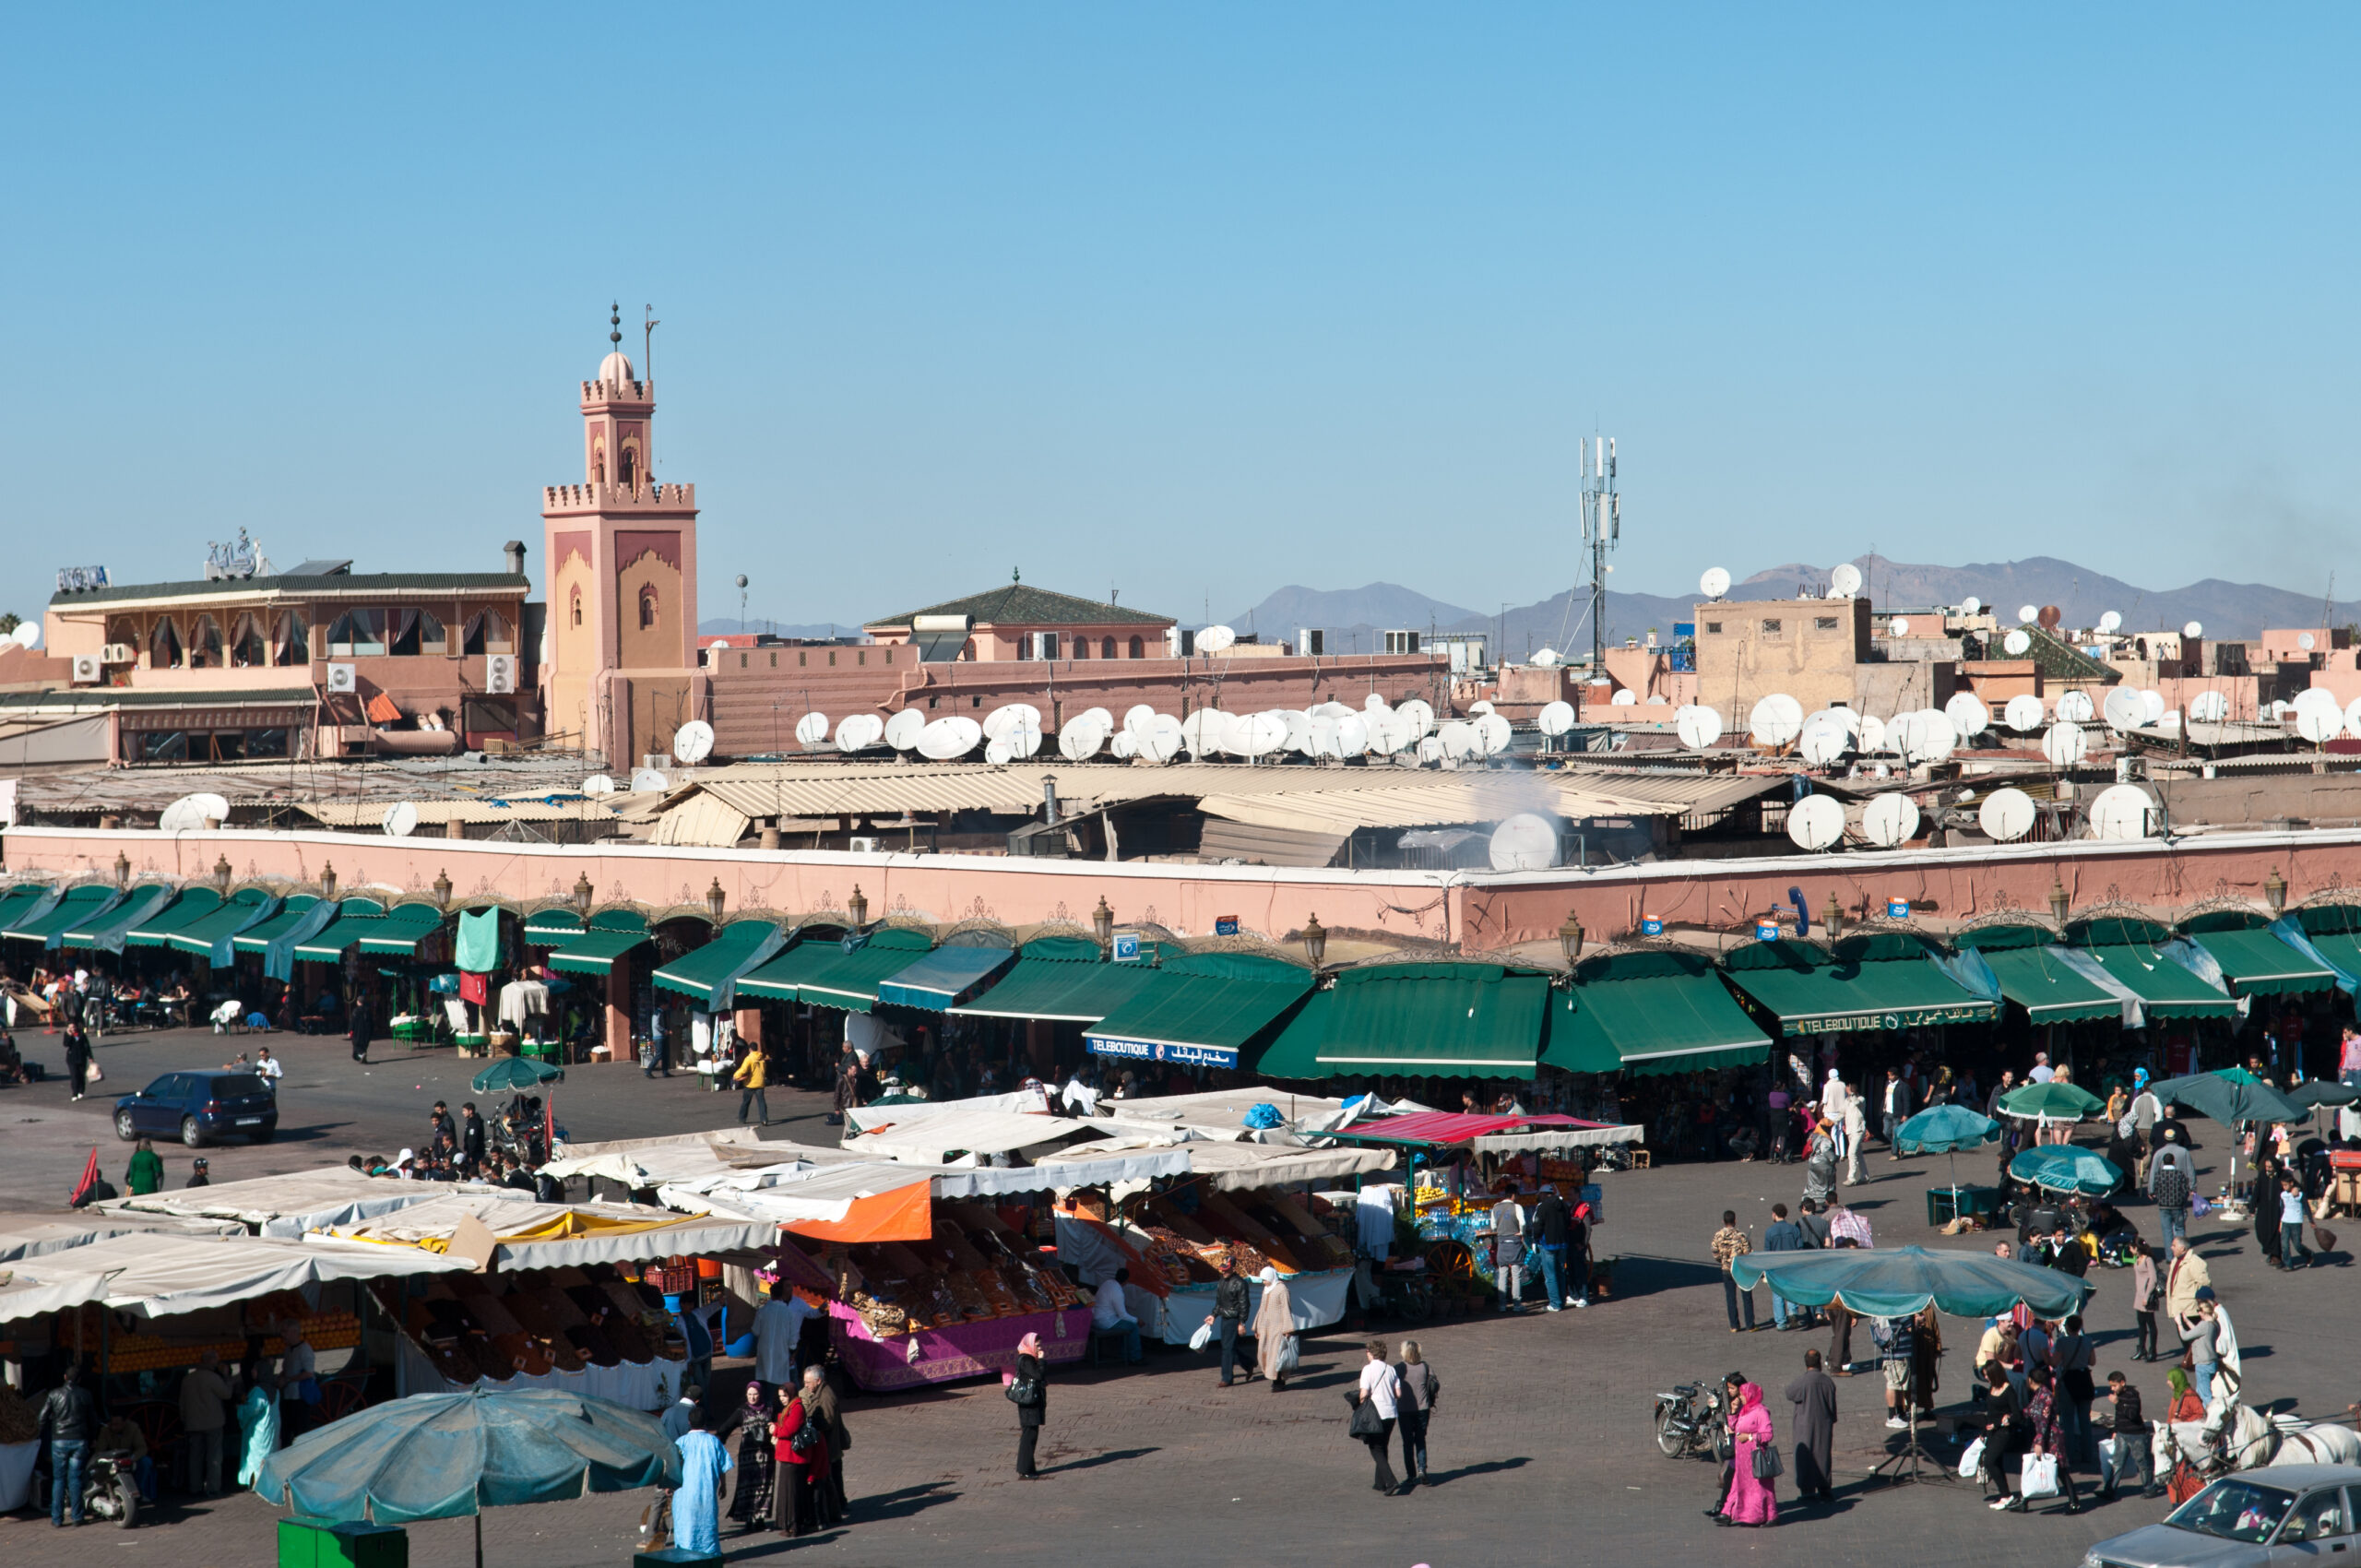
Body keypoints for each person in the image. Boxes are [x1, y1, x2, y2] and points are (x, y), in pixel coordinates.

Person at [1997, 1363, 2081, 1513]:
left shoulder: (2045, 1396)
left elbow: (2044, 1421)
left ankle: (2074, 1501)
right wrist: (2012, 1417)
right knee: (2032, 1466)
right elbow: (2029, 1411)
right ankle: (2024, 1500)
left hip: (2051, 1438)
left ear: (2030, 1380)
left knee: (2061, 1469)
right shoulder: (2038, 1395)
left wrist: (2039, 1442)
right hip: (2042, 1437)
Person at [773, 1371, 835, 1536]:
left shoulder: (797, 1409)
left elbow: (787, 1430)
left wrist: (775, 1429)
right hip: (787, 1458)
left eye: (784, 1396)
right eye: (780, 1396)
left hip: (794, 1459)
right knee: (788, 1493)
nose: (782, 1399)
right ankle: (789, 1524)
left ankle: (794, 1525)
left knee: (793, 1494)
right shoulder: (790, 1408)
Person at [41, 1364, 99, 1526]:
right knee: (75, 1478)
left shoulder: (54, 1394)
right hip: (79, 1440)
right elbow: (93, 1420)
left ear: (65, 1377)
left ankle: (57, 1519)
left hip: (59, 1440)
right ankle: (77, 1516)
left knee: (58, 1479)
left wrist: (40, 1437)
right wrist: (93, 1437)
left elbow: (42, 1418)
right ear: (79, 1380)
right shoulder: (85, 1395)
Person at [672, 1407, 731, 1556]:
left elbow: (674, 1467)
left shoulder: (681, 1442)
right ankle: (710, 1553)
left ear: (689, 1422)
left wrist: (669, 1486)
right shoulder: (714, 1442)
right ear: (705, 1422)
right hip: (706, 1492)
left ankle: (684, 1552)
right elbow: (722, 1466)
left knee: (685, 1524)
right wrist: (723, 1485)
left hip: (684, 1493)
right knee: (707, 1523)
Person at [1717, 1381, 1777, 1526]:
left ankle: (1769, 1515)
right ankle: (1727, 1513)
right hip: (1741, 1458)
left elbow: (1768, 1434)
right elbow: (1734, 1428)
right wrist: (1733, 1412)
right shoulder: (1745, 1410)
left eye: (1743, 1395)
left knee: (1761, 1488)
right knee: (1737, 1486)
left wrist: (1750, 1437)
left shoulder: (1760, 1411)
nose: (1741, 1397)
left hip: (1755, 1457)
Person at [1784, 1350, 1838, 1503]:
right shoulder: (1827, 1381)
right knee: (1823, 1455)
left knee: (1804, 1457)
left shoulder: (1802, 1381)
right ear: (1819, 1362)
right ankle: (1825, 1489)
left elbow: (1789, 1393)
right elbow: (1832, 1405)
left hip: (1804, 1424)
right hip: (1823, 1424)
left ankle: (1807, 1491)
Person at [178, 1348, 233, 1496]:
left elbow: (182, 1403)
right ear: (210, 1361)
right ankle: (213, 1488)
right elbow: (227, 1394)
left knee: (195, 1457)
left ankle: (194, 1487)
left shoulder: (188, 1379)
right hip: (212, 1423)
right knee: (214, 1457)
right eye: (216, 1360)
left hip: (193, 1424)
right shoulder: (212, 1377)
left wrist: (185, 1419)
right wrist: (227, 1377)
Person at [751, 1279, 816, 1403]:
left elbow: (755, 1331)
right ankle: (794, 1407)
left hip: (765, 1355)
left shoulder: (762, 1311)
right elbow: (793, 1338)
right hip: (783, 1354)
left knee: (767, 1387)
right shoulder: (788, 1312)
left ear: (771, 1294)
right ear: (782, 1294)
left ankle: (769, 1411)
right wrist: (792, 1352)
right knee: (787, 1385)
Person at [723, 1384, 777, 1533]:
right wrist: (718, 1441)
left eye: (755, 1394)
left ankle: (760, 1518)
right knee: (747, 1487)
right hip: (748, 1457)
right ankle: (747, 1518)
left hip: (766, 1456)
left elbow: (779, 1424)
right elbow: (727, 1427)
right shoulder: (742, 1411)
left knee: (765, 1486)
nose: (752, 1398)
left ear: (761, 1394)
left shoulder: (769, 1409)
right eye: (750, 1394)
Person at [802, 1363, 852, 1521]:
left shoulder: (826, 1397)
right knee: (835, 1475)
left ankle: (837, 1505)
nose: (806, 1386)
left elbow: (828, 1421)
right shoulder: (819, 1392)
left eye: (808, 1382)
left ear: (818, 1381)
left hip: (830, 1445)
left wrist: (811, 1422)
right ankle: (840, 1502)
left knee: (832, 1477)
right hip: (831, 1446)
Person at [1353, 1338, 1404, 1493]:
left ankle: (1390, 1481)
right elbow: (1398, 1393)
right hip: (1391, 1413)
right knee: (1383, 1446)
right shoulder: (1390, 1369)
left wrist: (1360, 1403)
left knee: (1375, 1449)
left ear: (1371, 1353)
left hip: (1376, 1413)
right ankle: (1379, 1482)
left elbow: (1364, 1393)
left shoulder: (1367, 1370)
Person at [2096, 1370, 2151, 1502]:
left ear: (2122, 1383)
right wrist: (2115, 1430)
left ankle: (2149, 1488)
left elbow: (2132, 1414)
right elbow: (2119, 1417)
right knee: (2117, 1463)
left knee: (2142, 1462)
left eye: (2114, 1386)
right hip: (2122, 1434)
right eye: (2111, 1386)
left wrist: (2118, 1403)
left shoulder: (2132, 1395)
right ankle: (2110, 1490)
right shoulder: (2118, 1396)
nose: (2112, 1389)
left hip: (2136, 1435)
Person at [1976, 1361, 2026, 1502]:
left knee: (1990, 1461)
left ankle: (2006, 1495)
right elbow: (1991, 1411)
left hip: (2003, 1432)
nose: (1986, 1378)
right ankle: (2004, 1494)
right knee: (1997, 1462)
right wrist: (1984, 1431)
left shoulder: (2008, 1390)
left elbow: (2017, 1415)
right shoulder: (1993, 1387)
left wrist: (2000, 1423)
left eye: (1987, 1375)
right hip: (1991, 1432)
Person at [1394, 1339, 1440, 1488]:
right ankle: (1422, 1469)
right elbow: (1434, 1384)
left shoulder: (1399, 1368)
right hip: (1423, 1408)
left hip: (1404, 1409)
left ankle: (1410, 1474)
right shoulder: (1425, 1367)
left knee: (1407, 1442)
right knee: (1420, 1439)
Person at [1204, 1258, 1251, 1384]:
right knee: (1229, 1347)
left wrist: (1242, 1323)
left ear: (1233, 1268)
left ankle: (1227, 1378)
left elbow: (1244, 1305)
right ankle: (1249, 1363)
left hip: (1234, 1318)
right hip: (1225, 1318)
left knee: (1227, 1348)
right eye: (1222, 1270)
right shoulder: (1222, 1282)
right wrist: (1213, 1315)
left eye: (1226, 1270)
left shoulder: (1240, 1283)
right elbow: (1219, 1302)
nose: (1223, 1273)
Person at [1762, 1205, 1807, 1330]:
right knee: (1791, 1291)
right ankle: (1793, 1313)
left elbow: (1767, 1251)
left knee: (1777, 1294)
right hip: (1792, 1265)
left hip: (1776, 1267)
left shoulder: (1770, 1231)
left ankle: (1781, 1322)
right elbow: (1800, 1247)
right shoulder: (1793, 1229)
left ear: (1775, 1214)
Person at [93, 1408, 154, 1503]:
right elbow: (100, 1450)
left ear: (124, 1423)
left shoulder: (133, 1428)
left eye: (117, 1424)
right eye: (112, 1424)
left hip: (130, 1458)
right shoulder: (105, 1430)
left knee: (146, 1462)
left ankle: (142, 1493)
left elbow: (142, 1448)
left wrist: (132, 1459)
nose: (114, 1427)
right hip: (112, 1460)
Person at [1011, 1330, 1048, 1479]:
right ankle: (1025, 1469)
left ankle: (1029, 1467)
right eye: (1037, 1345)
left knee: (1031, 1434)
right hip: (1029, 1403)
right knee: (1029, 1435)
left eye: (1040, 1346)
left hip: (1031, 1402)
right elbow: (1039, 1375)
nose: (1039, 1348)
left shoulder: (1029, 1358)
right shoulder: (1026, 1360)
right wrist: (1042, 1361)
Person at [1252, 1265, 1295, 1391]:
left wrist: (1287, 1329)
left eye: (1265, 1279)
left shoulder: (1282, 1289)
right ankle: (1275, 1380)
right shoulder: (1266, 1290)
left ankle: (1278, 1382)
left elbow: (1286, 1309)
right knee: (1265, 1354)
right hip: (1266, 1329)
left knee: (1276, 1356)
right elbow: (1261, 1309)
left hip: (1278, 1329)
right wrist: (1257, 1327)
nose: (1263, 1282)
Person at [1713, 1210, 1756, 1332]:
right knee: (1746, 1296)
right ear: (1735, 1221)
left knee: (1730, 1297)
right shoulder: (1741, 1236)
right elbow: (1747, 1253)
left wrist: (1722, 1261)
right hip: (1740, 1269)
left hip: (1726, 1269)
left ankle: (1734, 1325)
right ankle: (1750, 1324)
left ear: (1723, 1221)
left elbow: (1715, 1252)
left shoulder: (1718, 1235)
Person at [1528, 1183, 1570, 1311]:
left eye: (1540, 1194)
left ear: (1544, 1194)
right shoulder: (1564, 1205)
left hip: (1548, 1244)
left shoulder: (1543, 1207)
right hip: (1562, 1243)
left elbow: (1538, 1226)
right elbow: (1568, 1221)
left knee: (1550, 1275)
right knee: (1560, 1272)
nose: (1539, 1197)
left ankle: (1555, 1303)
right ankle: (1561, 1300)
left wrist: (1535, 1239)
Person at [1091, 1266, 1145, 1365]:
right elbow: (1123, 1315)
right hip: (1105, 1321)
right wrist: (1137, 1320)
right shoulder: (1117, 1292)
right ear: (1127, 1280)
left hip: (1096, 1318)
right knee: (1133, 1327)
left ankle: (1124, 1354)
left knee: (1127, 1324)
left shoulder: (1107, 1283)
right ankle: (1135, 1358)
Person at [2163, 1236, 2211, 1326]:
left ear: (2182, 1248)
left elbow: (2205, 1283)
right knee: (2183, 1337)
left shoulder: (2195, 1262)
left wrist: (2194, 1295)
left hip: (2190, 1310)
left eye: (2174, 1245)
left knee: (2192, 1338)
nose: (2171, 1247)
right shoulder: (2175, 1261)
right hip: (2178, 1308)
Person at [2128, 1241, 2160, 1360]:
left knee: (2151, 1324)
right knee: (2141, 1324)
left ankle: (2153, 1351)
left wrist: (2147, 1296)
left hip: (2147, 1297)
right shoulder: (2137, 1258)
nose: (2130, 1250)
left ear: (2136, 1248)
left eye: (2131, 1248)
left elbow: (2153, 1279)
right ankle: (2141, 1349)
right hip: (2139, 1295)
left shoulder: (2148, 1260)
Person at [2277, 1173, 2309, 1269]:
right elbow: (2282, 1209)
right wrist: (2280, 1222)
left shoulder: (2299, 1193)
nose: (2284, 1187)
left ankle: (2309, 1254)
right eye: (2282, 1185)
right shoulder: (2283, 1194)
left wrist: (2311, 1220)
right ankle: (2288, 1264)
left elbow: (2306, 1207)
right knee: (2284, 1244)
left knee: (2297, 1245)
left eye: (2285, 1185)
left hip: (2296, 1222)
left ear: (2291, 1183)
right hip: (2285, 1221)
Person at [732, 1046, 771, 1126]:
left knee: (746, 1102)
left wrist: (736, 1075)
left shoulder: (749, 1059)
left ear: (750, 1049)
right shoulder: (762, 1058)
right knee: (761, 1102)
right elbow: (764, 1071)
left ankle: (742, 1119)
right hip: (760, 1083)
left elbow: (744, 1069)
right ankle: (764, 1119)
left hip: (750, 1084)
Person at [63, 1023, 91, 1100]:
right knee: (74, 1076)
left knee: (81, 1075)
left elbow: (87, 1045)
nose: (73, 1029)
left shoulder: (81, 1034)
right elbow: (66, 1044)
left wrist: (90, 1056)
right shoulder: (67, 1034)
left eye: (74, 1027)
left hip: (82, 1058)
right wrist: (70, 1035)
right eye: (71, 1027)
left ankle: (81, 1091)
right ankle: (74, 1093)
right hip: (72, 1058)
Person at [348, 991, 374, 1064]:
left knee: (356, 1049)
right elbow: (371, 1022)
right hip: (367, 1033)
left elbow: (352, 1022)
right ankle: (363, 1056)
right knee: (364, 1046)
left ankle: (361, 1055)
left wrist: (350, 1030)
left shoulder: (356, 1011)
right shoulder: (368, 1011)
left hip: (358, 1032)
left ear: (358, 1002)